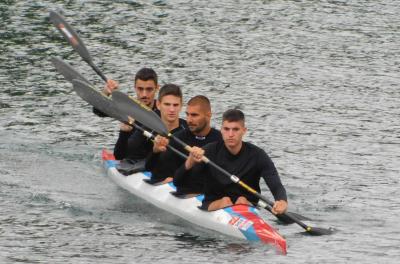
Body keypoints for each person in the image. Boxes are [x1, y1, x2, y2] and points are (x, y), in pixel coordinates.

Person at [176, 109, 288, 213]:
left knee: (242, 200)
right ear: (221, 130)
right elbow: (178, 182)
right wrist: (190, 160)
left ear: (244, 131)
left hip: (247, 205)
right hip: (215, 204)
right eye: (226, 129)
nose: (230, 134)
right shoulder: (209, 151)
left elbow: (275, 183)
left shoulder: (257, 155)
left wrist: (282, 201)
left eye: (235, 129)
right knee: (226, 201)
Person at [146, 95, 222, 193]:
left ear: (208, 115)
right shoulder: (178, 139)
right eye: (187, 114)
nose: (189, 120)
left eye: (194, 115)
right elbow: (150, 169)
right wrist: (155, 151)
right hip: (185, 189)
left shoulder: (220, 139)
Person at [94, 68, 159, 161]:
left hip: (154, 159)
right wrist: (105, 93)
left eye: (149, 89)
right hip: (129, 158)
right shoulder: (127, 108)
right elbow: (98, 111)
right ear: (135, 88)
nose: (144, 94)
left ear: (157, 88)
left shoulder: (164, 109)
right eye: (140, 89)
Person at [144, 84, 188, 183]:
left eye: (176, 105)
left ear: (181, 106)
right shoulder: (149, 128)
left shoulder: (188, 129)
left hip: (181, 182)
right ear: (159, 105)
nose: (172, 110)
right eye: (167, 104)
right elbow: (147, 167)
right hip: (158, 182)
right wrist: (155, 151)